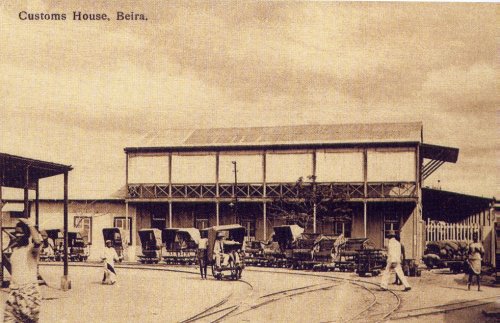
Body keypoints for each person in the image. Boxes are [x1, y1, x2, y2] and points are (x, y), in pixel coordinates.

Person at [4, 219, 43, 323]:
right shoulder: (15, 250)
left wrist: (30, 225)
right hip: (14, 293)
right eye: (16, 232)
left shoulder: (31, 250)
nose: (17, 235)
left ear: (26, 234)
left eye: (20, 232)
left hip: (28, 293)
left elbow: (37, 241)